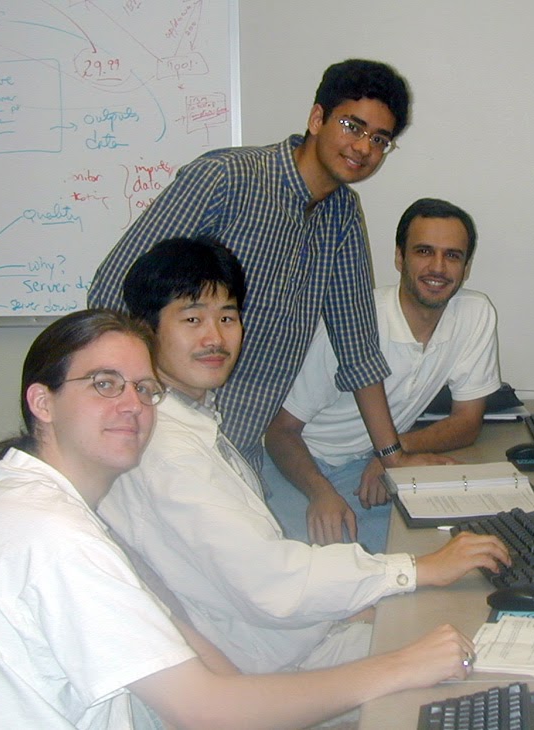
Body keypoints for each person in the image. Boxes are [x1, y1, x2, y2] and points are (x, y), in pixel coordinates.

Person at [0, 309, 480, 729]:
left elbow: (189, 643)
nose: (132, 406)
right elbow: (206, 711)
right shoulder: (49, 534)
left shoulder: (56, 508)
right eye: (105, 384)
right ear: (43, 402)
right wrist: (400, 666)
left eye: (144, 389)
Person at [97, 236, 509, 675]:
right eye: (192, 319)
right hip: (271, 667)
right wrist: (418, 569)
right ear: (146, 329)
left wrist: (354, 602)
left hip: (291, 636)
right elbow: (272, 584)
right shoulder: (170, 453)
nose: (215, 337)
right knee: (479, 648)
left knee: (466, 628)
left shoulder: (187, 418)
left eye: (228, 317)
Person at [88, 58, 445, 482]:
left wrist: (392, 456)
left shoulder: (343, 214)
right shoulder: (225, 179)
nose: (364, 148)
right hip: (160, 438)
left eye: (380, 139)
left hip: (240, 448)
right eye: (353, 126)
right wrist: (136, 403)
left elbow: (358, 346)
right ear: (317, 118)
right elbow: (112, 292)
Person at [264, 198, 501, 553]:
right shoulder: (354, 323)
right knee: (319, 566)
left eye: (452, 256)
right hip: (300, 466)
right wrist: (320, 492)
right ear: (399, 258)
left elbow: (468, 421)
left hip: (369, 464)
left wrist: (393, 453)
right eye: (424, 251)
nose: (438, 268)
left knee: (447, 536)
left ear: (466, 267)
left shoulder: (475, 314)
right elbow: (279, 431)